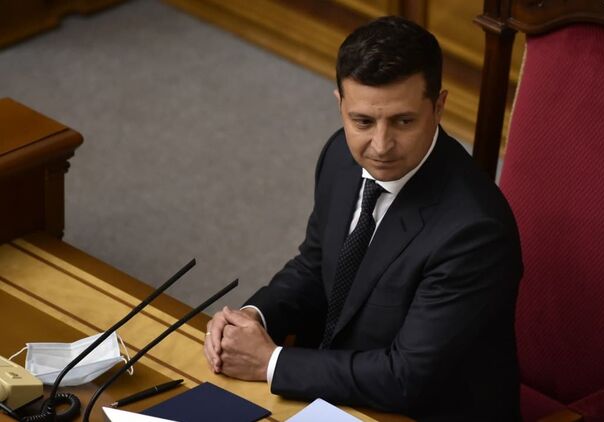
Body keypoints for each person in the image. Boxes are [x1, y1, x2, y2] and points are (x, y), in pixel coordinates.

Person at [203, 16, 522, 420]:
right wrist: (252, 319)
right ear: (340, 104)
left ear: (439, 107)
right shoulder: (340, 155)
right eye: (363, 121)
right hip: (337, 392)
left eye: (403, 121)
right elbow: (316, 265)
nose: (381, 145)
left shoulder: (474, 231)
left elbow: (408, 378)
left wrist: (271, 362)